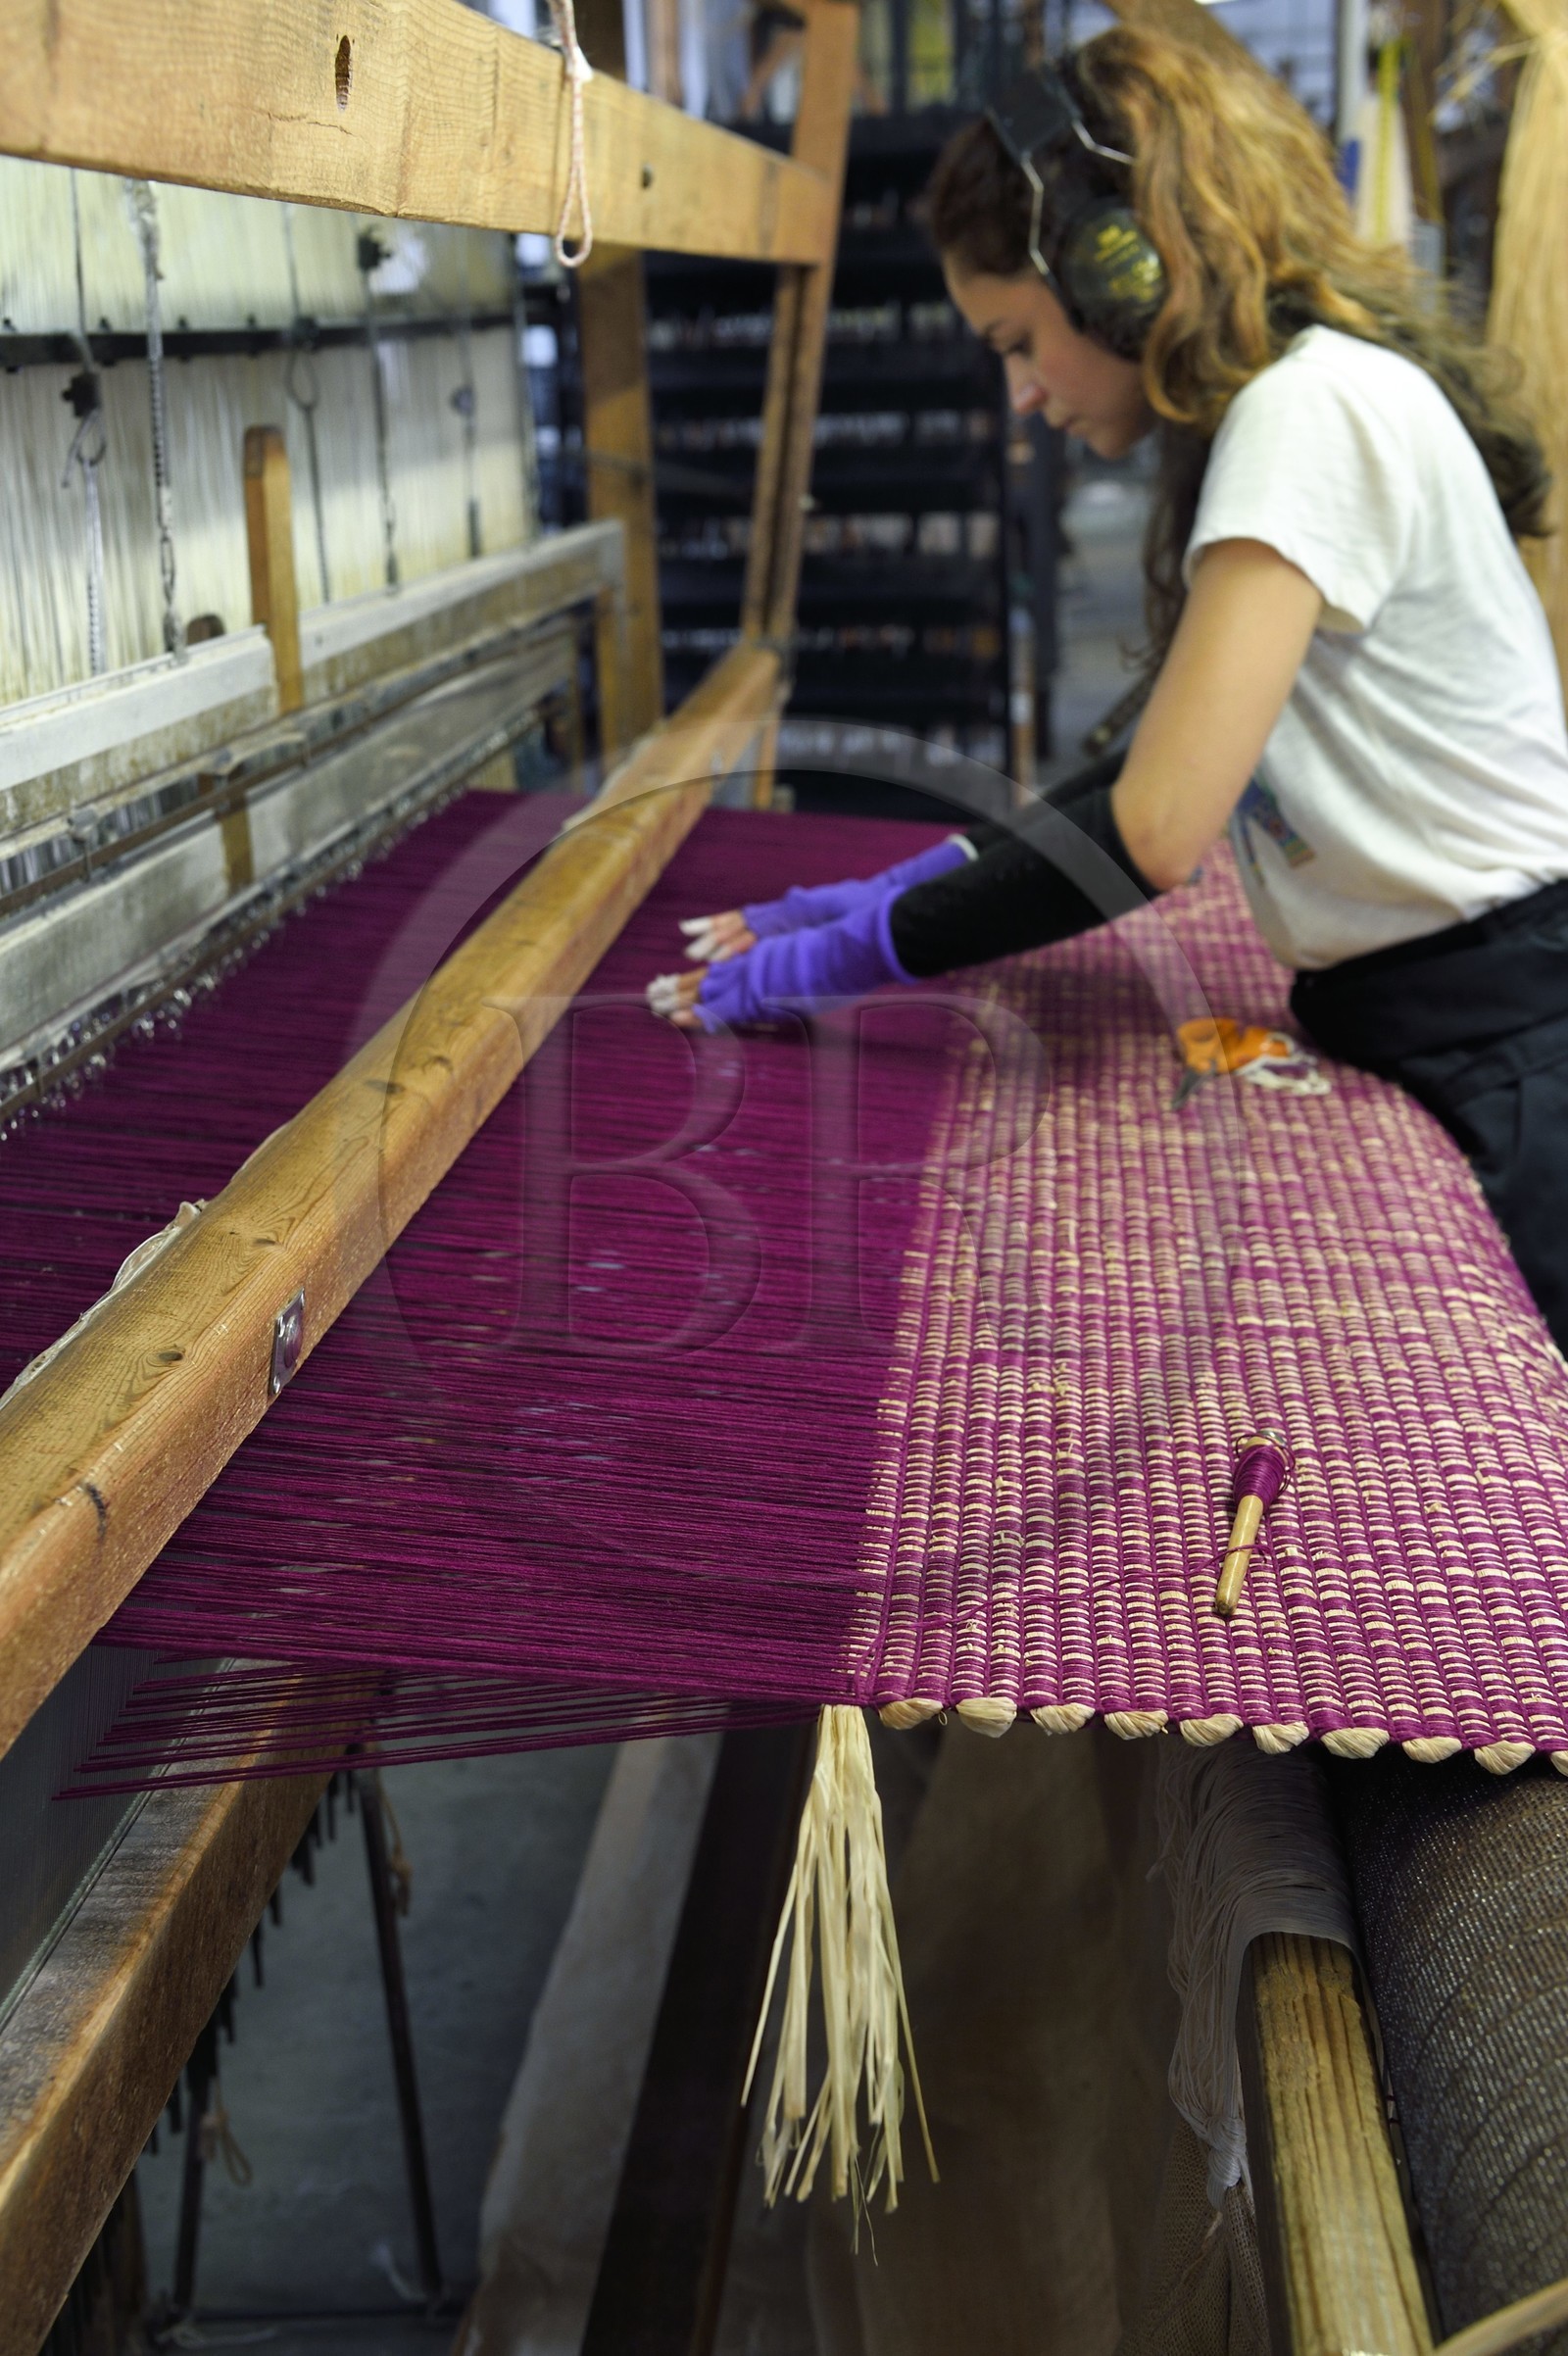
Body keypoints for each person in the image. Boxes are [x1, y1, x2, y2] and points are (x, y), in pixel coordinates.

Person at [647, 27, 1568, 1350]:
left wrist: (857, 959)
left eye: (1017, 341)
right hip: (1456, 1012)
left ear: (1123, 269)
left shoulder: (1306, 418)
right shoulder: (1309, 403)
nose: (1020, 395)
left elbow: (1154, 829)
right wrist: (913, 878)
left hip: (1505, 1046)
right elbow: (1161, 759)